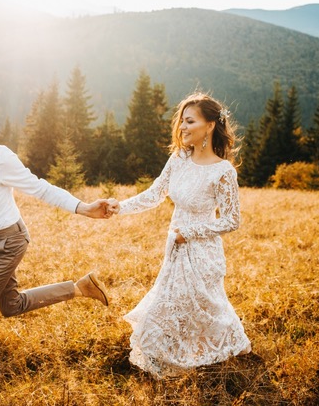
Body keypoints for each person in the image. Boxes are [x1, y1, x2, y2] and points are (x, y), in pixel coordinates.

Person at [0, 98, 110, 377]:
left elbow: (40, 188)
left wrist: (84, 208)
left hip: (10, 241)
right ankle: (80, 288)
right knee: (11, 306)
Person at [107, 92, 251, 379]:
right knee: (177, 309)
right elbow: (155, 194)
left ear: (210, 125)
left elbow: (232, 220)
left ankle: (208, 365)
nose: (182, 127)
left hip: (201, 253)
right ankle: (171, 365)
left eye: (190, 121)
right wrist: (118, 207)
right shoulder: (179, 158)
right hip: (174, 247)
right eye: (181, 121)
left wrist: (191, 231)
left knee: (201, 310)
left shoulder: (222, 172)